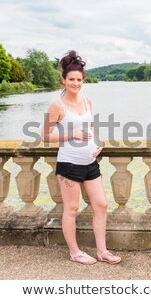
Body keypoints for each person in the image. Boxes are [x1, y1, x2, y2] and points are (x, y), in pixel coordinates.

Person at [42, 50, 121, 265]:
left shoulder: (87, 101)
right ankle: (75, 252)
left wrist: (97, 144)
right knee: (72, 208)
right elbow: (45, 136)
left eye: (79, 79)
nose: (75, 83)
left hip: (90, 163)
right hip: (69, 164)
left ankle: (102, 251)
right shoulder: (57, 105)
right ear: (63, 80)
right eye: (71, 79)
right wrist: (71, 134)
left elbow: (91, 127)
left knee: (101, 205)